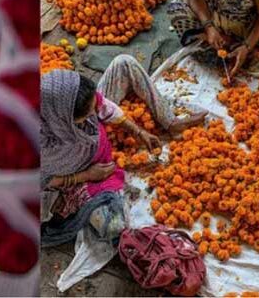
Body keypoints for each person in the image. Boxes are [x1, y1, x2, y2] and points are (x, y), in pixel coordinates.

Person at [41, 55, 206, 247]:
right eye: (87, 114)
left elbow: (102, 106)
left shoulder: (65, 93)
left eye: (93, 107)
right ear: (63, 120)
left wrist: (139, 131)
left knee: (124, 62)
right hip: (74, 178)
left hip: (93, 141)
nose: (94, 115)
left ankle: (169, 121)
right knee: (114, 226)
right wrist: (87, 174)